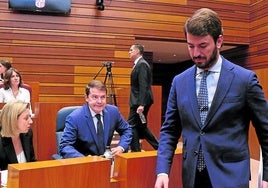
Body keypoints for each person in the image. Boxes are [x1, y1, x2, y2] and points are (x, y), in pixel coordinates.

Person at [155, 8, 268, 188]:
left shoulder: (244, 80)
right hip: (192, 177)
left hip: (230, 176)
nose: (195, 53)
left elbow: (266, 131)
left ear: (219, 41)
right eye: (190, 46)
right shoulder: (179, 81)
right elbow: (169, 130)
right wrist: (162, 170)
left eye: (202, 46)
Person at [59, 80, 133, 158]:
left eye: (103, 97)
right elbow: (65, 146)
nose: (99, 101)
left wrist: (121, 147)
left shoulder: (113, 112)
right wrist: (83, 159)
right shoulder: (74, 118)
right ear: (86, 98)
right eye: (95, 97)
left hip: (106, 161)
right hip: (84, 165)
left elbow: (127, 130)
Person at [127, 43, 158, 152]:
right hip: (137, 101)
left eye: (131, 50)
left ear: (137, 51)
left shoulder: (142, 64)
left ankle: (136, 152)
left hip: (139, 102)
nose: (129, 52)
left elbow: (143, 85)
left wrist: (141, 104)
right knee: (141, 126)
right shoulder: (138, 64)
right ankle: (159, 148)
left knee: (131, 125)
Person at [0, 100, 36, 170]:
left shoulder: (27, 134)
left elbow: (32, 162)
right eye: (26, 118)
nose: (31, 121)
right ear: (13, 119)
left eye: (30, 117)